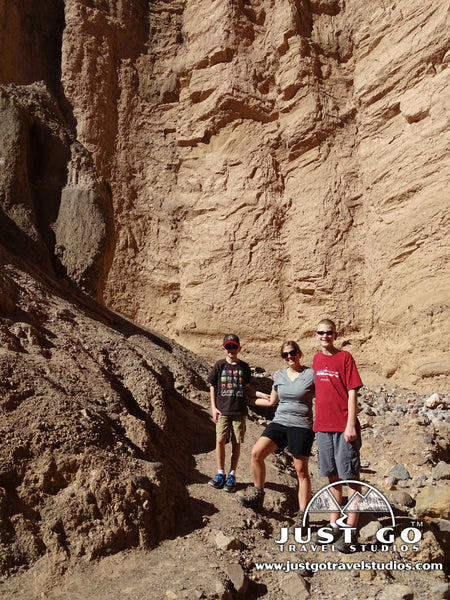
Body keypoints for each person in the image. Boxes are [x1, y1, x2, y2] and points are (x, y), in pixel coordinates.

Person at [237, 341, 315, 528]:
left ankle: (303, 516)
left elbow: (322, 398)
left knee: (301, 471)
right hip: (279, 422)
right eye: (285, 355)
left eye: (293, 353)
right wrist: (247, 401)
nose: (290, 357)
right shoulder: (279, 375)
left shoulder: (311, 374)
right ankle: (258, 495)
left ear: (300, 353)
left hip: (301, 425)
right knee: (256, 454)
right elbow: (272, 401)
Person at [312, 318, 363, 552]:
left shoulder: (345, 358)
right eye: (321, 333)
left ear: (335, 334)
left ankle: (350, 532)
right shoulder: (315, 359)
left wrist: (350, 425)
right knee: (332, 477)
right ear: (316, 335)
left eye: (329, 333)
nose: (325, 336)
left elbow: (352, 393)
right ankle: (334, 526)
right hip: (323, 427)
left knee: (350, 478)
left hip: (344, 428)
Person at [207, 334, 252, 493]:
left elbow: (247, 389)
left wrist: (261, 396)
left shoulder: (245, 367)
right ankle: (220, 473)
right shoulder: (219, 365)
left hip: (239, 411)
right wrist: (213, 407)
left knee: (236, 443)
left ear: (239, 348)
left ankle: (232, 474)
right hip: (223, 410)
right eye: (228, 347)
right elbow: (212, 386)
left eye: (234, 347)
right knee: (220, 441)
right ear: (223, 349)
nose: (231, 350)